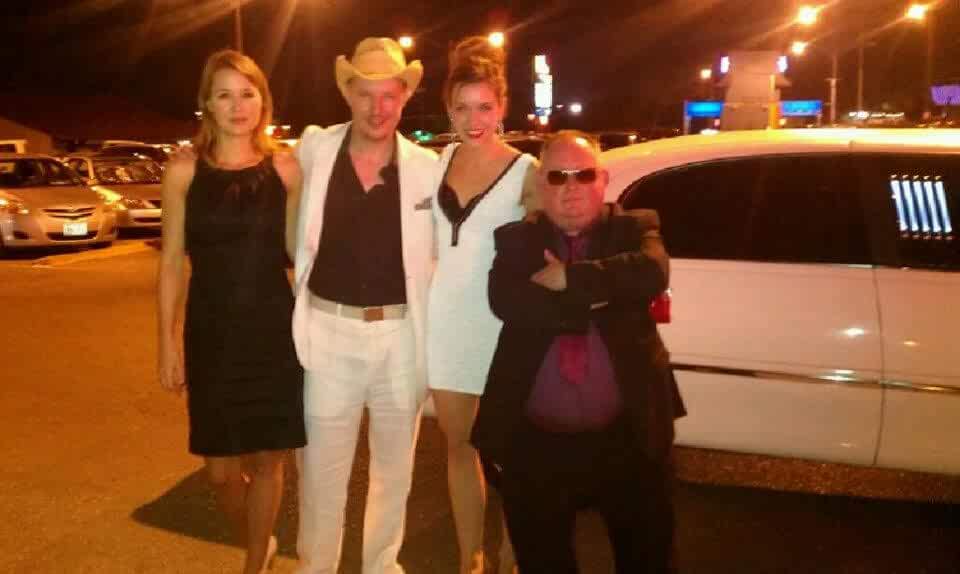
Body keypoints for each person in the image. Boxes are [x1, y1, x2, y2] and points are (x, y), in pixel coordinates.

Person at [471, 131, 686, 573]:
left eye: (583, 175)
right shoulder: (516, 241)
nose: (570, 188)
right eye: (557, 176)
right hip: (536, 445)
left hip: (630, 438)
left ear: (602, 180)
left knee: (648, 560)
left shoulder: (634, 229)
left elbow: (651, 273)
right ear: (541, 184)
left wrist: (570, 279)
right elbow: (507, 302)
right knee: (544, 563)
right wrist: (601, 297)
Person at [290, 37, 437, 574]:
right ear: (347, 93)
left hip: (400, 335)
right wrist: (198, 154)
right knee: (320, 473)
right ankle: (316, 567)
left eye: (389, 95)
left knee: (394, 472)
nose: (378, 108)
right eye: (366, 94)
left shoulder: (427, 166)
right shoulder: (314, 149)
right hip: (328, 330)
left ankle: (381, 565)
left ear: (404, 97)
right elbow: (250, 162)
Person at [157, 49, 305, 574]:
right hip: (211, 333)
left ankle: (254, 560)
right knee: (219, 472)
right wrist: (167, 342)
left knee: (267, 460)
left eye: (248, 93)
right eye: (225, 95)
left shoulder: (285, 168)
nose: (238, 106)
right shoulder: (184, 170)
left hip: (272, 330)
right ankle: (257, 540)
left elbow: (298, 252)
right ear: (207, 104)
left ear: (263, 102)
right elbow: (171, 262)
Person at [426, 36, 536, 574]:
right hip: (445, 327)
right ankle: (469, 558)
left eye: (485, 107)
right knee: (458, 448)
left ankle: (513, 555)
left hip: (503, 329)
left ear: (502, 106)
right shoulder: (436, 162)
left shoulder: (526, 170)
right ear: (448, 108)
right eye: (462, 108)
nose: (474, 120)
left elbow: (551, 241)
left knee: (511, 455)